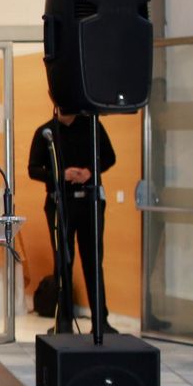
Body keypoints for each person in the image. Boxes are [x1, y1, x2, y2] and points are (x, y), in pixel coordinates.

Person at [27, 104, 117, 333]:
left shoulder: (92, 126)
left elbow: (109, 157)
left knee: (93, 261)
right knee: (63, 262)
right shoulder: (46, 133)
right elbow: (33, 169)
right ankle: (64, 321)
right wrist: (61, 174)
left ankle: (101, 322)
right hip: (60, 204)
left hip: (89, 202)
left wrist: (90, 171)